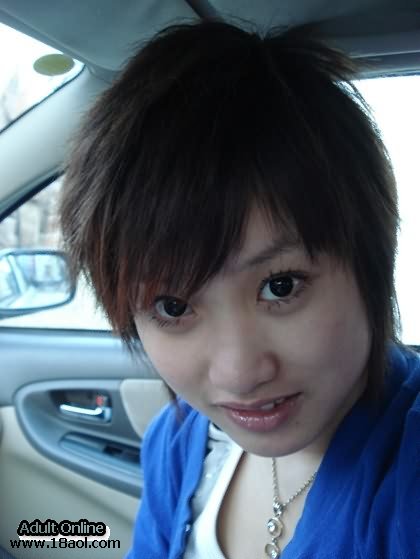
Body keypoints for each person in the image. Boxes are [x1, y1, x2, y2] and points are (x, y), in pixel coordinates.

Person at [60, 20, 419, 559]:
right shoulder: (176, 443)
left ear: (370, 263)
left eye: (280, 286)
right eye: (172, 306)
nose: (239, 373)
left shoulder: (405, 480)